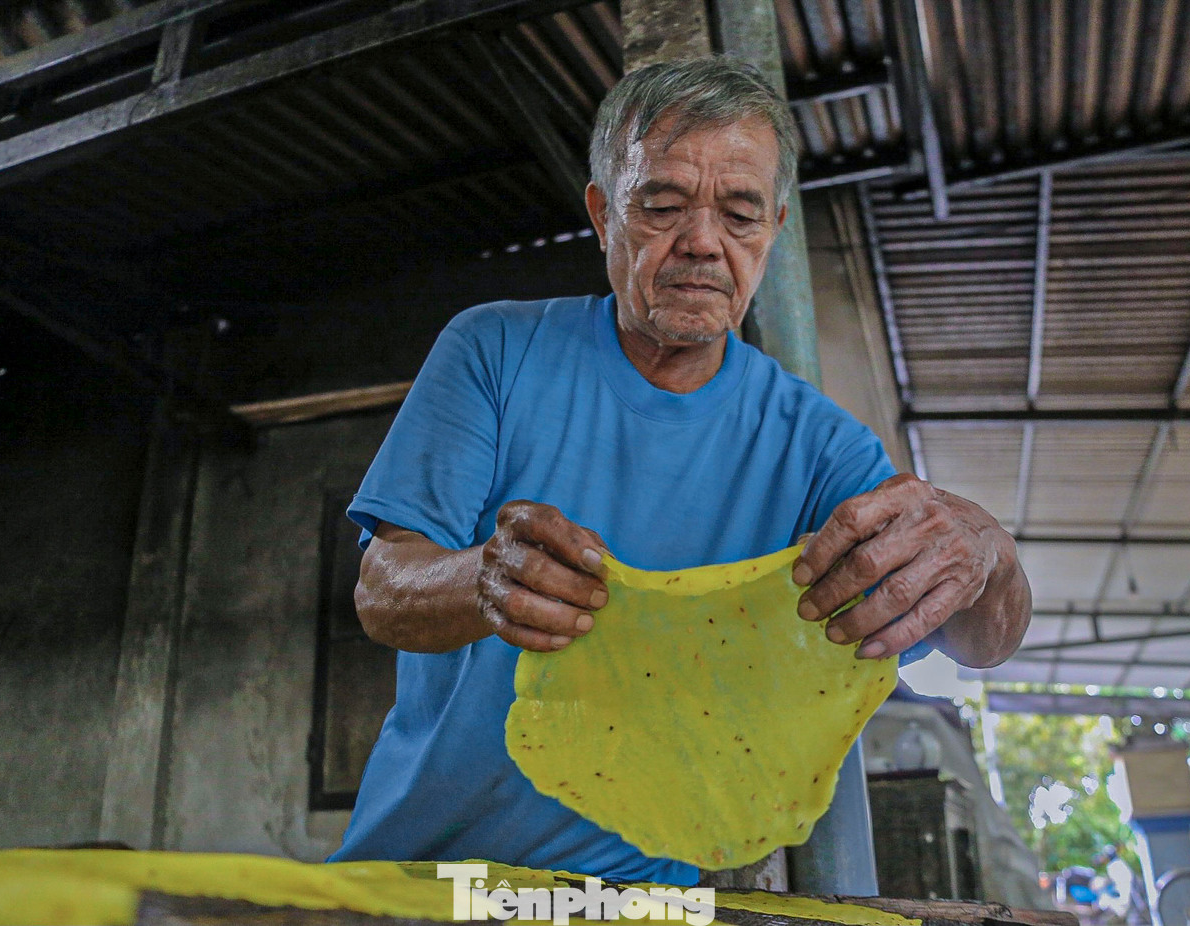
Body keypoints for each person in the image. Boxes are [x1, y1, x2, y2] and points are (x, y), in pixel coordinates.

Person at [326, 56, 1031, 885]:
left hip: (641, 901)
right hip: (422, 875)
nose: (702, 242)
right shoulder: (495, 352)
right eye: (662, 204)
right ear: (601, 214)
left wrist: (988, 555)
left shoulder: (820, 449)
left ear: (772, 230)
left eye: (738, 214)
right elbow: (382, 591)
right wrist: (483, 578)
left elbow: (978, 642)